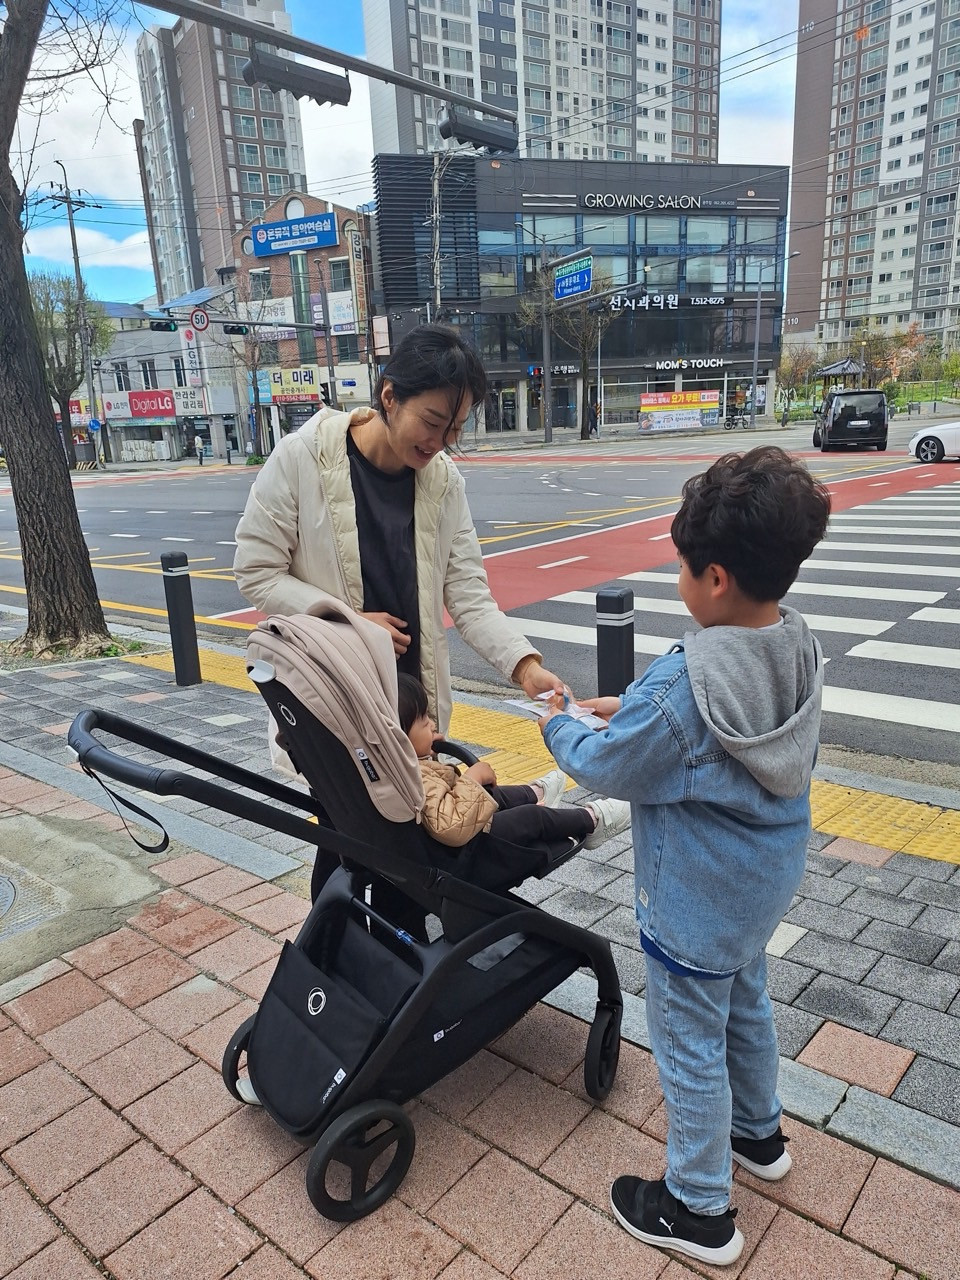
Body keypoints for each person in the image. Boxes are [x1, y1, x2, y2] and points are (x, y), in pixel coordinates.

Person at [538, 446, 831, 1268]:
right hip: (761, 887)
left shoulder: (685, 682)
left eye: (681, 567)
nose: (677, 579)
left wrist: (558, 725)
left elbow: (611, 764)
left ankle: (699, 1209)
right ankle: (759, 1136)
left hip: (696, 903)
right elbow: (678, 726)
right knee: (747, 1005)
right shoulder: (796, 642)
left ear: (716, 579)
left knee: (688, 1043)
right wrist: (632, 706)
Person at [234, 324, 566, 887]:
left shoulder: (443, 483)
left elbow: (468, 595)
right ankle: (339, 936)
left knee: (406, 857)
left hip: (408, 709)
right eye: (432, 422)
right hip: (335, 702)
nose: (440, 442)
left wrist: (525, 667)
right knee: (346, 842)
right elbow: (255, 570)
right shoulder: (301, 458)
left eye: (454, 429)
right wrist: (347, 623)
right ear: (389, 396)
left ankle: (380, 937)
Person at [398, 674, 630, 873]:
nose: (432, 724)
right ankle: (593, 821)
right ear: (399, 737)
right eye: (423, 721)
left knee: (495, 796)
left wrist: (425, 754)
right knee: (531, 817)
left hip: (457, 832)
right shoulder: (416, 776)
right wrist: (472, 779)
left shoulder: (402, 766)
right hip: (466, 847)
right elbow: (451, 825)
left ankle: (535, 793)